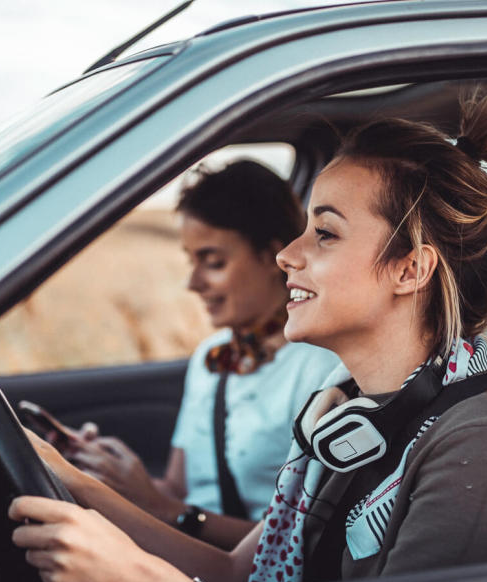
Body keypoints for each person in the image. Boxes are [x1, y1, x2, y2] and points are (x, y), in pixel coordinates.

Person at [9, 85, 487, 582]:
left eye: (324, 233)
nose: (288, 255)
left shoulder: (480, 447)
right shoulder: (347, 417)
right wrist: (72, 479)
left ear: (410, 269)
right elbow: (233, 577)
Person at [61, 160, 339, 550]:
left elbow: (303, 542)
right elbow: (177, 487)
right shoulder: (212, 355)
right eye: (192, 261)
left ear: (273, 255)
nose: (193, 284)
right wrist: (108, 474)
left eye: (213, 262)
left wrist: (164, 508)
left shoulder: (322, 367)